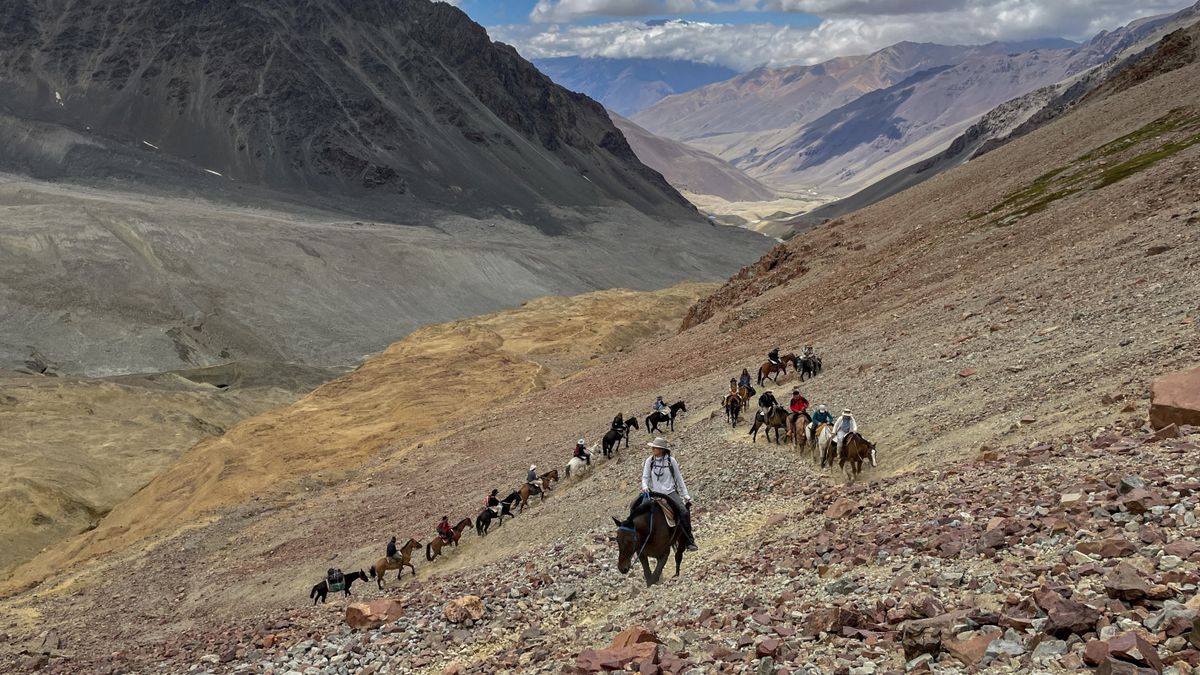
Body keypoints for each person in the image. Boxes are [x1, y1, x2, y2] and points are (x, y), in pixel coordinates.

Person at [639, 437, 697, 551]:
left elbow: (678, 478)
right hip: (654, 493)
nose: (653, 449)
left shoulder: (671, 461)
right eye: (653, 447)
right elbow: (645, 477)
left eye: (655, 447)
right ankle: (640, 542)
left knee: (683, 512)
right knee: (639, 511)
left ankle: (689, 541)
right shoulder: (649, 461)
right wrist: (645, 486)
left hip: (670, 492)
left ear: (662, 449)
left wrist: (685, 495)